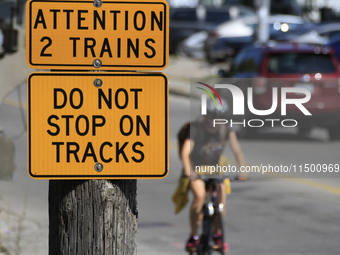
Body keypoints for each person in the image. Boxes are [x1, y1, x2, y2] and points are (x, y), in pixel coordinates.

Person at [180, 98, 248, 253]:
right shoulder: (197, 129)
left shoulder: (226, 130)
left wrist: (242, 170)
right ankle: (194, 236)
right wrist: (189, 171)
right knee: (199, 196)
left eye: (221, 117)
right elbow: (185, 153)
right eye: (213, 116)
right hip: (196, 169)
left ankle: (218, 233)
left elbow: (237, 151)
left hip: (215, 169)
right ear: (206, 115)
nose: (216, 121)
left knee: (221, 199)